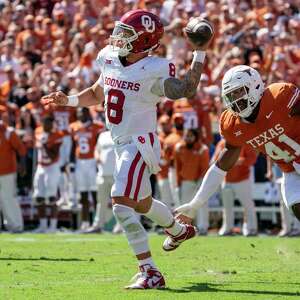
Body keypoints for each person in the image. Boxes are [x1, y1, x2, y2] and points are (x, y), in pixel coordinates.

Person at [41, 9, 212, 289]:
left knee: (120, 202)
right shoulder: (109, 57)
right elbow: (99, 92)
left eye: (126, 34)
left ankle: (150, 272)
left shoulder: (155, 70)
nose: (118, 37)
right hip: (121, 144)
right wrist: (69, 100)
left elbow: (186, 89)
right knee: (142, 204)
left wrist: (200, 53)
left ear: (144, 42)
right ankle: (179, 230)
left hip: (139, 143)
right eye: (119, 31)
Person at [172, 65, 300, 229]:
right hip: (291, 170)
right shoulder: (233, 125)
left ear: (255, 85)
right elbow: (220, 167)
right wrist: (196, 204)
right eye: (230, 95)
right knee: (296, 205)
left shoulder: (280, 96)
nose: (235, 99)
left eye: (239, 91)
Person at [213, 139, 257, 236]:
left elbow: (252, 159)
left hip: (242, 179)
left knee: (247, 205)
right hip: (226, 179)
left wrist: (240, 161)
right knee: (227, 207)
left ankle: (251, 228)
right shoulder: (221, 144)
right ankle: (227, 228)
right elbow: (215, 160)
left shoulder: (244, 142)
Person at [70, 107, 103, 231]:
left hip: (92, 161)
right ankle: (85, 222)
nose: (80, 115)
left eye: (82, 112)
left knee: (94, 193)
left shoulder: (96, 127)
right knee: (83, 194)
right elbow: (73, 146)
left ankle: (96, 222)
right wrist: (71, 162)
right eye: (78, 113)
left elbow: (98, 146)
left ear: (87, 113)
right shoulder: (74, 127)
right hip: (79, 162)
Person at [174, 128, 209, 234]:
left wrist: (201, 182)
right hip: (186, 181)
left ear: (196, 137)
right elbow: (177, 167)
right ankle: (183, 228)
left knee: (201, 205)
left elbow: (205, 167)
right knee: (185, 205)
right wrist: (178, 183)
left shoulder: (202, 149)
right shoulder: (179, 148)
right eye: (186, 136)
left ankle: (203, 227)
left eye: (190, 136)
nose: (188, 138)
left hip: (199, 181)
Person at [33, 114, 63, 233]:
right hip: (40, 166)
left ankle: (53, 226)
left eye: (50, 124)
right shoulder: (38, 132)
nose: (48, 126)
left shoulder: (57, 135)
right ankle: (43, 225)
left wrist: (44, 144)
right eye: (46, 124)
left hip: (52, 167)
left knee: (51, 197)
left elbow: (53, 156)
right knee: (39, 197)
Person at [0, 107, 26, 232]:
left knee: (9, 198)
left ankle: (15, 225)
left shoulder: (8, 132)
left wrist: (22, 165)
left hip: (7, 171)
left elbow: (21, 150)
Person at [85, 129, 116, 233]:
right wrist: (97, 157)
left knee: (121, 202)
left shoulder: (122, 132)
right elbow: (97, 149)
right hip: (102, 173)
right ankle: (97, 225)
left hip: (117, 174)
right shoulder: (102, 135)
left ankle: (121, 226)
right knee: (101, 202)